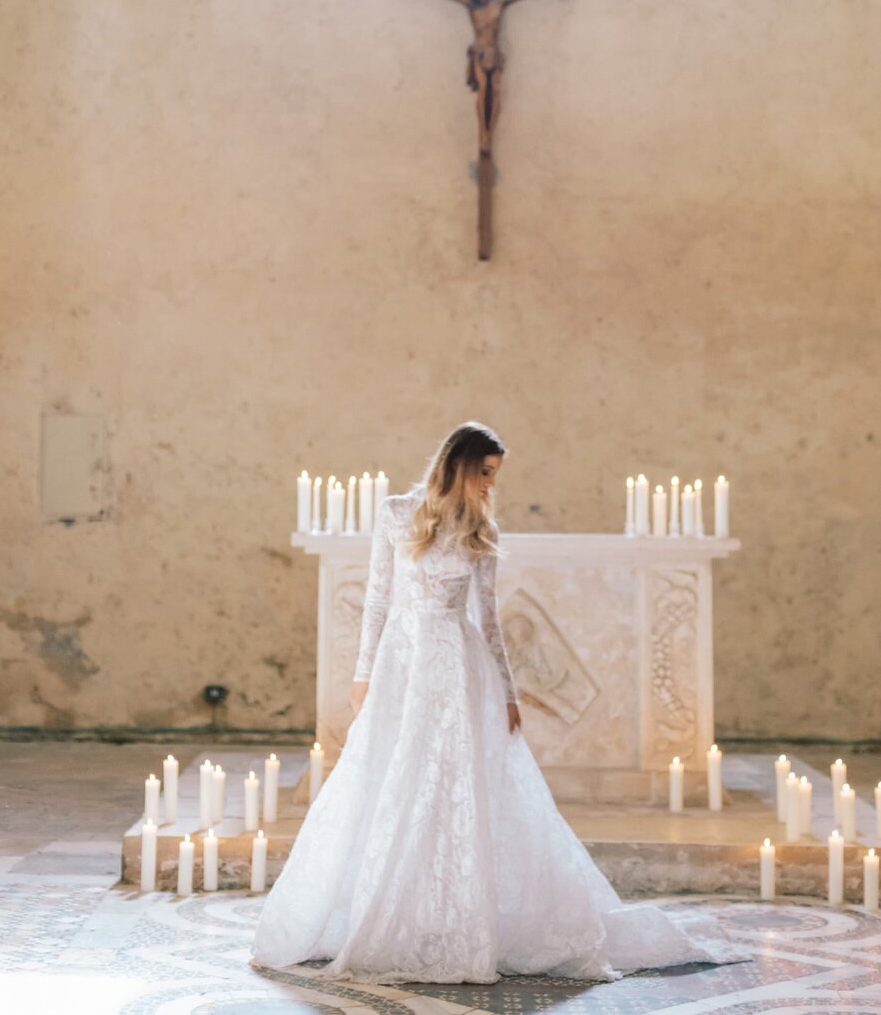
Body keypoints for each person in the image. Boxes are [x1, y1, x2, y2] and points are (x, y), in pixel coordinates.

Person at [250, 421, 736, 984]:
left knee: (453, 785)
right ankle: (383, 909)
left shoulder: (482, 529)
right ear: (457, 465)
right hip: (402, 665)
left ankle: (458, 919)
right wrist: (362, 676)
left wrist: (506, 692)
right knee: (389, 778)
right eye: (484, 473)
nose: (489, 485)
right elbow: (378, 600)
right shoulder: (394, 513)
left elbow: (490, 621)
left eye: (495, 476)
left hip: (460, 669)